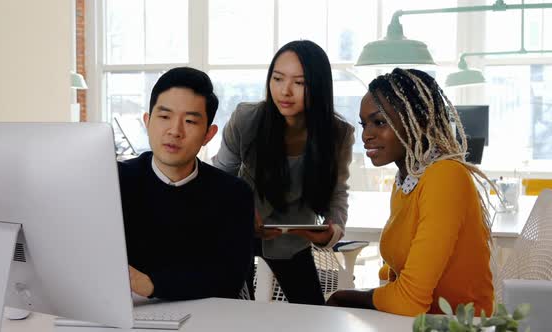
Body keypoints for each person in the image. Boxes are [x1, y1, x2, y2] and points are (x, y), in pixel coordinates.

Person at [326, 68, 495, 316]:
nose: (366, 135)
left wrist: (344, 297)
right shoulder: (406, 180)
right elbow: (401, 274)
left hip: (458, 325)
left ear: (418, 120)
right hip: (415, 321)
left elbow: (410, 302)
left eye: (379, 122)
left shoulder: (445, 176)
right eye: (364, 124)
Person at [212, 40, 354, 305]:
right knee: (234, 310)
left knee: (313, 313)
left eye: (299, 83)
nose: (284, 91)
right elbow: (219, 177)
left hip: (292, 237)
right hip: (239, 231)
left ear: (318, 86)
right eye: (277, 79)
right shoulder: (246, 119)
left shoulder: (338, 135)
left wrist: (332, 230)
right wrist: (240, 209)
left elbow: (338, 194)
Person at [119, 67, 255, 301]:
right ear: (147, 121)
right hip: (131, 314)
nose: (175, 131)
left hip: (209, 316)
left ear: (208, 135)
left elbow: (230, 277)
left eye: (190, 121)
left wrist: (151, 284)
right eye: (164, 117)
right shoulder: (115, 181)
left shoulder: (234, 193)